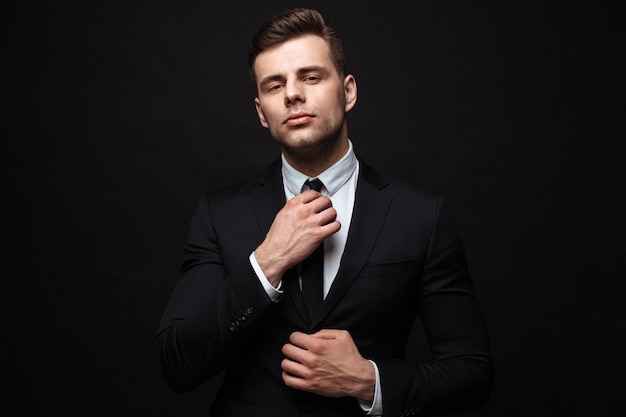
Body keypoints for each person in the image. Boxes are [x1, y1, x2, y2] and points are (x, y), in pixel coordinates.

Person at [156, 7, 494, 417]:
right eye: (274, 85)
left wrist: (370, 381)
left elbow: (473, 373)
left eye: (310, 77)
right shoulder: (219, 214)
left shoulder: (420, 216)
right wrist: (267, 264)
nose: (292, 94)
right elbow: (177, 364)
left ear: (348, 91)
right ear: (262, 112)